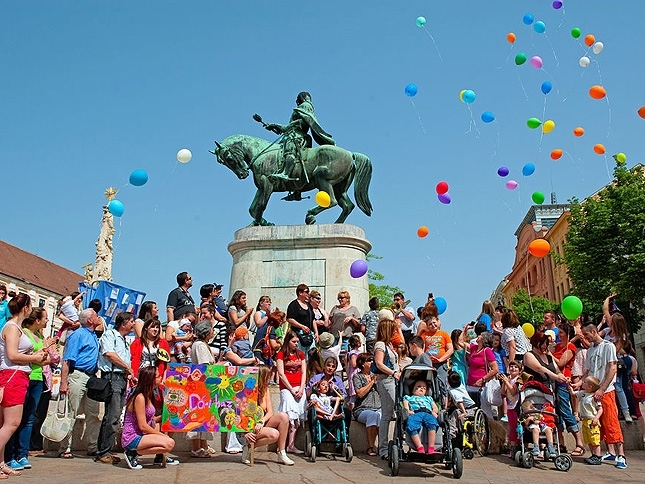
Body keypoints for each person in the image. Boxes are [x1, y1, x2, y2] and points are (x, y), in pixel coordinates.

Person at [0, 294, 48, 477]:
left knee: (5, 423)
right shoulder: (12, 328)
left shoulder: (15, 327)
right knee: (12, 424)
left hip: (17, 375)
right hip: (13, 376)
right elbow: (12, 355)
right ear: (26, 308)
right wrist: (34, 358)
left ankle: (1, 462)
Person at [4, 308, 56, 471]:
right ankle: (9, 456)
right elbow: (28, 356)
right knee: (14, 420)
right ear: (37, 320)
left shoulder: (40, 336)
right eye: (45, 318)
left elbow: (47, 359)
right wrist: (39, 355)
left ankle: (23, 454)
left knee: (29, 419)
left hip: (38, 378)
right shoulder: (23, 333)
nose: (47, 321)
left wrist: (44, 351)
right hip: (25, 376)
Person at [524, 330, 585, 455]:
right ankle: (540, 444)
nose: (546, 346)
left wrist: (562, 377)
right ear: (537, 343)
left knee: (555, 416)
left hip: (549, 392)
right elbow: (539, 368)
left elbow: (557, 370)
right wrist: (556, 377)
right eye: (544, 343)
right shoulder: (529, 355)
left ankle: (558, 444)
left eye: (547, 343)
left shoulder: (548, 356)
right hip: (534, 392)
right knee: (539, 419)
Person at [576, 322, 626, 468]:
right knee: (599, 424)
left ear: (593, 331)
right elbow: (587, 371)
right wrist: (579, 383)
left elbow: (612, 368)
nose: (585, 337)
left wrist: (602, 388)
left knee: (611, 422)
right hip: (592, 392)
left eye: (586, 334)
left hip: (606, 390)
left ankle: (621, 454)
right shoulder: (590, 350)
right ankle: (610, 451)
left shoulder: (608, 346)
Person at [58, 308, 102, 460]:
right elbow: (67, 360)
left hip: (91, 377)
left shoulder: (93, 335)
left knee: (93, 414)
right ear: (90, 320)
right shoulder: (77, 335)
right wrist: (64, 382)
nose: (99, 317)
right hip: (77, 374)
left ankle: (93, 446)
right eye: (96, 315)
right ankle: (65, 447)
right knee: (71, 412)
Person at [263, 91, 335, 183]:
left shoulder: (305, 105)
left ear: (303, 97)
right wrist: (275, 126)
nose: (296, 100)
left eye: (298, 97)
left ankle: (286, 173)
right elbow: (291, 126)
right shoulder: (306, 106)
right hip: (298, 134)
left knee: (289, 151)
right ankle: (297, 190)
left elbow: (304, 121)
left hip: (297, 136)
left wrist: (282, 125)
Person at [95, 312, 136, 465]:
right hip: (112, 377)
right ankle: (103, 452)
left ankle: (105, 450)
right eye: (131, 321)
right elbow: (110, 354)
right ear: (123, 323)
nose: (133, 324)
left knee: (114, 415)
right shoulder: (110, 335)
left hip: (121, 378)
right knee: (111, 416)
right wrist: (127, 368)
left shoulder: (124, 340)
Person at [121, 366, 176, 470]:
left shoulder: (148, 395)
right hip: (133, 437)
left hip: (142, 433)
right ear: (151, 380)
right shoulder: (140, 397)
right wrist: (162, 436)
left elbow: (150, 420)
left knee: (171, 424)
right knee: (169, 443)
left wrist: (165, 417)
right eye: (158, 376)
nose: (161, 378)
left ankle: (160, 457)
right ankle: (132, 452)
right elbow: (143, 426)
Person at [240, 365, 294, 466]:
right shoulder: (248, 391)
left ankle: (281, 452)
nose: (270, 378)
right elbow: (240, 413)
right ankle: (247, 447)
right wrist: (245, 432)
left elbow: (270, 412)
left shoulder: (266, 389)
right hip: (249, 426)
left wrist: (262, 421)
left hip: (260, 424)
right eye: (268, 376)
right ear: (262, 377)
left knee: (284, 417)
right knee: (274, 434)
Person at [188, 321, 217, 458]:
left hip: (203, 387)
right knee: (197, 417)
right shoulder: (200, 346)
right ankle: (196, 447)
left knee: (204, 417)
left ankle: (203, 445)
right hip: (200, 387)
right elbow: (204, 366)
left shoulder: (202, 345)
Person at [372, 312, 399, 459]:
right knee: (387, 415)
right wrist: (394, 372)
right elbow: (379, 363)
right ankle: (383, 449)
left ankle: (394, 445)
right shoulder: (380, 345)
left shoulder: (388, 344)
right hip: (386, 380)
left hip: (392, 381)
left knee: (396, 414)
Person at [275, 330, 307, 454]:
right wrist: (291, 390)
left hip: (299, 387)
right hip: (287, 388)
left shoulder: (301, 354)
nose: (296, 344)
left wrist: (302, 387)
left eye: (297, 342)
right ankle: (281, 445)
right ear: (287, 341)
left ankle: (291, 444)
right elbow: (281, 374)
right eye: (293, 342)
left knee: (297, 417)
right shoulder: (281, 354)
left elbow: (304, 372)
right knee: (288, 416)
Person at [416, 306, 453, 389]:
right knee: (429, 385)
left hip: (441, 364)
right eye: (430, 324)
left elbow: (450, 349)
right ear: (427, 326)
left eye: (434, 322)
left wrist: (441, 359)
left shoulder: (444, 334)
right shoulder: (424, 335)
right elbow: (421, 349)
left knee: (442, 385)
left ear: (438, 322)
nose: (433, 325)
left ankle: (444, 402)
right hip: (428, 364)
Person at [352, 352, 381, 457]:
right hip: (362, 409)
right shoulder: (357, 377)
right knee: (372, 415)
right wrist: (372, 382)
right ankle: (370, 446)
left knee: (381, 415)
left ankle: (382, 447)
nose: (372, 362)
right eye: (369, 360)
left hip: (378, 407)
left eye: (372, 360)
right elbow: (359, 393)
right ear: (363, 363)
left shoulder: (377, 376)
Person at [466, 331, 498, 418]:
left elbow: (495, 369)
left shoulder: (487, 351)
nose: (478, 336)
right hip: (470, 384)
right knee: (472, 411)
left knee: (485, 412)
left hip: (481, 386)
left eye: (480, 335)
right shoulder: (474, 348)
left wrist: (483, 379)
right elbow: (460, 342)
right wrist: (466, 330)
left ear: (483, 339)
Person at [403, 380, 439, 454]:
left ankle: (431, 448)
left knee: (432, 423)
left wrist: (434, 411)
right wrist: (408, 411)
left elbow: (435, 407)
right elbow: (406, 407)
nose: (421, 388)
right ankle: (419, 447)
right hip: (416, 413)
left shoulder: (429, 398)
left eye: (424, 388)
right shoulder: (408, 398)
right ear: (413, 390)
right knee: (411, 424)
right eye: (418, 387)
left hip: (428, 413)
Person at [574, 376, 603, 461]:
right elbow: (573, 393)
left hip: (592, 420)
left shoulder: (594, 397)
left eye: (585, 382)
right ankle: (593, 455)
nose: (583, 383)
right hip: (585, 420)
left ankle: (597, 456)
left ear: (590, 386)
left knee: (595, 439)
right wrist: (569, 385)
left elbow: (600, 409)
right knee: (588, 440)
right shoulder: (582, 393)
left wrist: (596, 418)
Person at [329, 291, 361, 366]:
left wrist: (352, 318)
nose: (340, 300)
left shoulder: (353, 309)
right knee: (335, 357)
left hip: (346, 337)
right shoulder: (335, 308)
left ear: (347, 299)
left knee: (345, 358)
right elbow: (330, 321)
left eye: (342, 298)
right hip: (335, 337)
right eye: (338, 298)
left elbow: (359, 323)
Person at [446, 372, 477, 442]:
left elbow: (459, 402)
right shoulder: (461, 385)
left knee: (458, 415)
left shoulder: (453, 391)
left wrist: (463, 412)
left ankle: (455, 433)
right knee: (454, 412)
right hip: (473, 407)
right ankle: (453, 431)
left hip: (470, 409)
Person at [501, 360, 522, 454]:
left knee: (517, 427)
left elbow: (514, 392)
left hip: (516, 407)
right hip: (510, 406)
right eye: (511, 367)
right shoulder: (508, 379)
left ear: (520, 370)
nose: (513, 368)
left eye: (516, 367)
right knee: (512, 428)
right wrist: (504, 381)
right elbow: (502, 392)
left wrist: (507, 382)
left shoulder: (519, 380)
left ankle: (517, 446)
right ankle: (513, 447)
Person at [285, 284, 314, 350]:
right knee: (300, 355)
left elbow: (313, 319)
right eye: (306, 292)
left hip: (309, 334)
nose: (308, 294)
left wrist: (316, 332)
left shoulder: (309, 305)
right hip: (298, 335)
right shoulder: (293, 305)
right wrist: (301, 326)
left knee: (312, 355)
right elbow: (290, 319)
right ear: (300, 293)